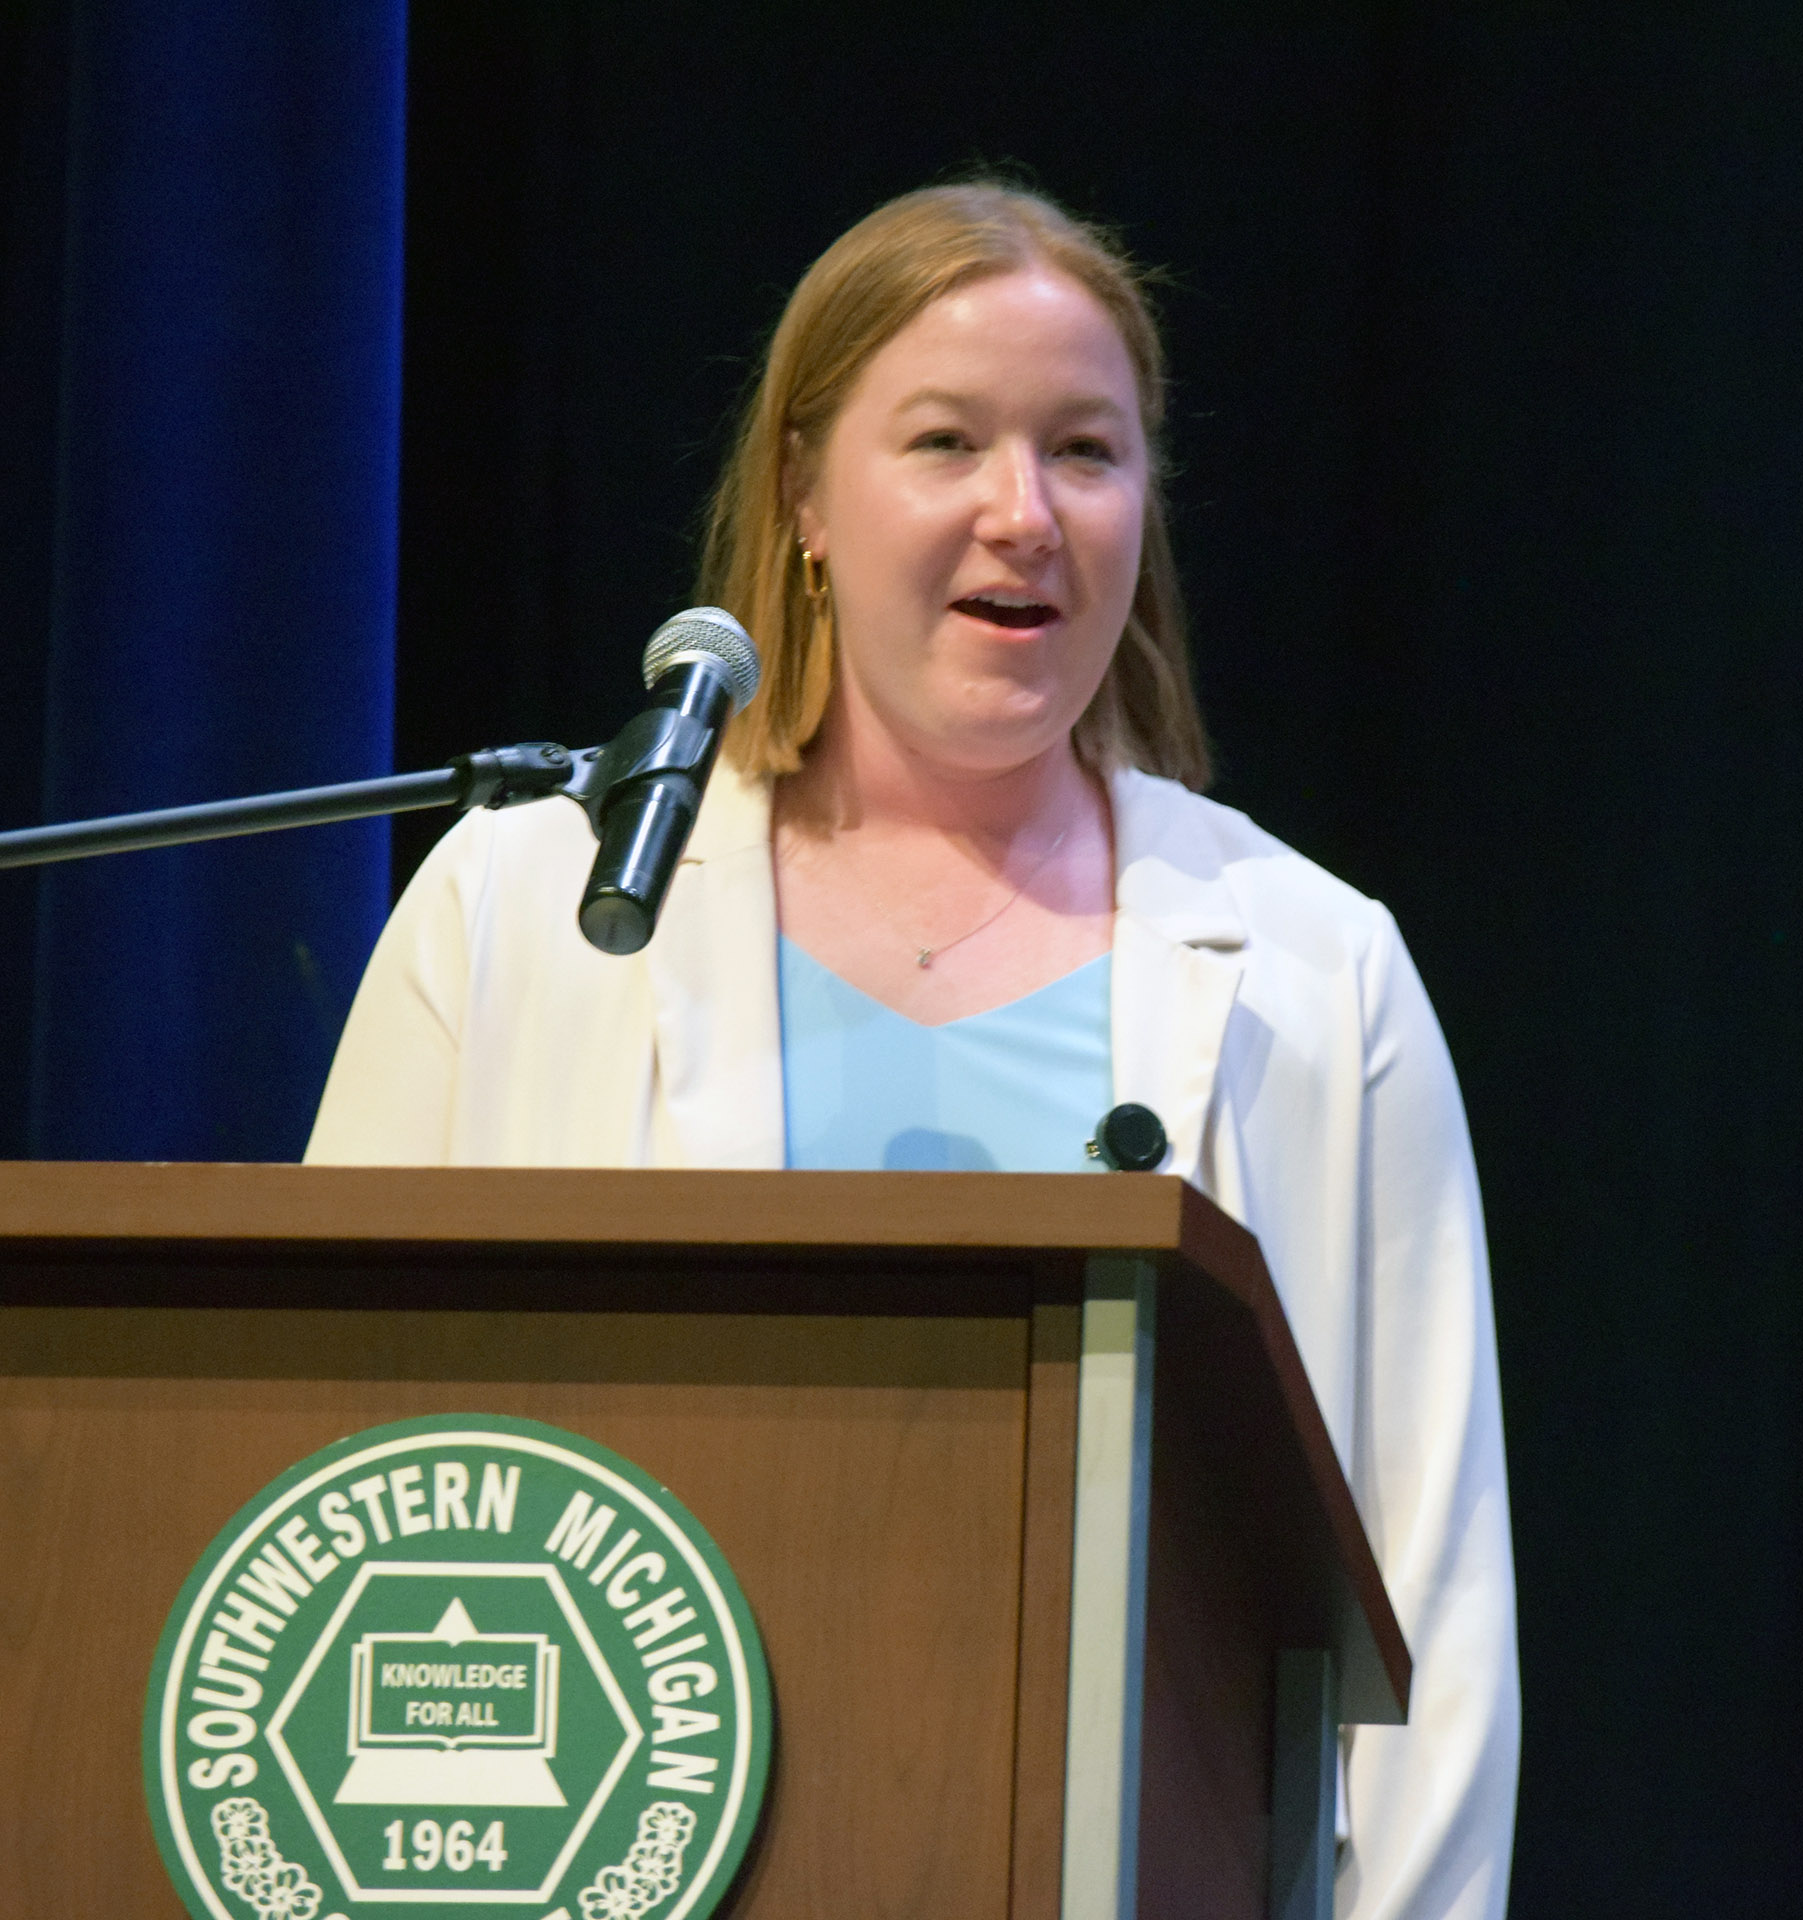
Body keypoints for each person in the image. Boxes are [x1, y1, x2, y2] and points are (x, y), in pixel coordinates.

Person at [308, 181, 1520, 1918]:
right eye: (945, 441)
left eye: (1085, 452)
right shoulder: (527, 913)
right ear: (803, 496)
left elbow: (1428, 1611)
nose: (1022, 514)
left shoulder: (1315, 971)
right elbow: (328, 1456)